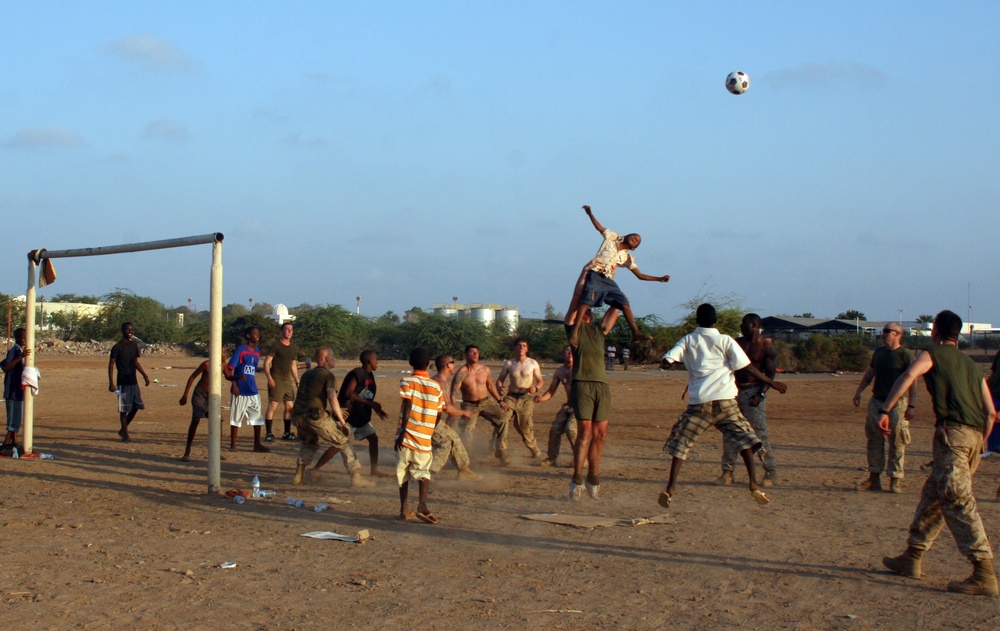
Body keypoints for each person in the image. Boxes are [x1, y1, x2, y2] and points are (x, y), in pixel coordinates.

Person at [881, 310, 998, 597]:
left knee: (957, 499)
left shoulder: (932, 353)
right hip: (973, 439)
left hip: (953, 435)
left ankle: (983, 570)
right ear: (957, 334)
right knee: (934, 494)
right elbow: (991, 413)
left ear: (935, 331)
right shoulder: (972, 365)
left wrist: (885, 409)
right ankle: (912, 555)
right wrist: (979, 445)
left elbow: (910, 374)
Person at [658, 304, 788, 509]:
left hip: (700, 403)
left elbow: (670, 356)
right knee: (746, 440)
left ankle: (670, 487)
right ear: (716, 320)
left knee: (681, 444)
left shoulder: (688, 340)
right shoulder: (726, 340)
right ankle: (753, 484)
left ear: (696, 320)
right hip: (726, 401)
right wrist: (772, 383)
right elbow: (747, 367)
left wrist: (667, 362)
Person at [567, 204, 671, 341]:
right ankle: (575, 331)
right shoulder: (612, 238)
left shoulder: (627, 257)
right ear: (625, 236)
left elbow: (640, 275)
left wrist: (658, 279)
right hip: (596, 274)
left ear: (634, 248)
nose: (636, 238)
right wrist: (590, 214)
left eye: (638, 240)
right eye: (634, 236)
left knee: (624, 303)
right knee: (587, 299)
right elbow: (599, 227)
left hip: (608, 280)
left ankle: (635, 332)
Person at [564, 298, 620, 501]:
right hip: (582, 384)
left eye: (586, 312)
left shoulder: (599, 332)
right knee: (584, 432)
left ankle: (593, 479)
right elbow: (572, 312)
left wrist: (616, 295)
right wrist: (585, 297)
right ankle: (577, 479)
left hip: (601, 385)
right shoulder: (574, 331)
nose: (584, 313)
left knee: (601, 434)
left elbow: (616, 308)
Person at [851, 321, 918, 493]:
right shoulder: (879, 353)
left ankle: (895, 479)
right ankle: (874, 477)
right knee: (874, 439)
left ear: (897, 334)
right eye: (883, 330)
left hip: (898, 403)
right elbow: (869, 374)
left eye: (887, 331)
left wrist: (911, 405)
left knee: (897, 441)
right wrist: (859, 391)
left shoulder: (905, 355)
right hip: (877, 400)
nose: (883, 334)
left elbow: (912, 381)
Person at [291, 347, 371, 488]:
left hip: (299, 417)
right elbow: (332, 397)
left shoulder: (307, 374)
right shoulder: (328, 376)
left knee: (309, 443)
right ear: (327, 358)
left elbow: (306, 398)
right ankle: (356, 476)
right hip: (315, 416)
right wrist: (341, 421)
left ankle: (299, 475)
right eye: (333, 356)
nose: (334, 359)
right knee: (343, 440)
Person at [717, 314, 781, 487]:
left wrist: (760, 394)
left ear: (753, 324)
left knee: (759, 433)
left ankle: (770, 470)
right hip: (734, 390)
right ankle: (727, 471)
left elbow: (770, 374)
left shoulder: (766, 347)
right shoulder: (736, 343)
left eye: (744, 323)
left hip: (753, 392)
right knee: (730, 431)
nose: (741, 325)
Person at [396, 348, 445, 523]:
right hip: (425, 436)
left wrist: (403, 430)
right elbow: (439, 413)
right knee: (423, 472)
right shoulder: (436, 386)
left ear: (410, 363)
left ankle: (403, 509)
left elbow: (408, 403)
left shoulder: (406, 381)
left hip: (407, 435)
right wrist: (430, 429)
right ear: (428, 364)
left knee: (403, 472)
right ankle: (422, 504)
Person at [451, 345, 510, 465]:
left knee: (503, 419)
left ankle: (500, 449)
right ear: (466, 355)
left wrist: (500, 401)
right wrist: (452, 409)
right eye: (472, 352)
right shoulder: (461, 373)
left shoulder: (485, 369)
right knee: (466, 429)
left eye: (477, 352)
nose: (475, 354)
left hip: (486, 401)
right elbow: (454, 393)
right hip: (469, 405)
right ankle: (469, 457)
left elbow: (490, 386)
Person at [430, 354, 482, 480]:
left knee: (454, 438)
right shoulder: (440, 382)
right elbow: (448, 408)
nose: (455, 364)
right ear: (448, 365)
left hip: (433, 420)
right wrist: (464, 413)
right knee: (445, 443)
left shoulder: (439, 380)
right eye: (453, 362)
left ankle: (464, 470)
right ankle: (427, 473)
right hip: (429, 421)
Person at [338, 350, 389, 476]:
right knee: (338, 444)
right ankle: (316, 468)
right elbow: (348, 394)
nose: (377, 362)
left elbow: (366, 395)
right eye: (375, 359)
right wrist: (369, 403)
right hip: (349, 415)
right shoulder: (358, 373)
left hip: (360, 415)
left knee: (373, 438)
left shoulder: (369, 375)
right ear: (369, 361)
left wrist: (376, 408)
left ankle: (374, 470)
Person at [495, 338, 544, 459]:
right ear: (515, 348)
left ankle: (534, 449)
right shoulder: (509, 363)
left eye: (524, 345)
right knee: (503, 418)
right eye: (519, 345)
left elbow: (540, 381)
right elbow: (500, 380)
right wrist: (500, 387)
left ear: (527, 348)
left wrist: (536, 388)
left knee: (524, 425)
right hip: (511, 397)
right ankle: (500, 449)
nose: (521, 347)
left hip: (526, 398)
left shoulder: (533, 363)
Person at [224, 326, 269, 453]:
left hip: (253, 389)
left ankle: (257, 444)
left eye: (258, 334)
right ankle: (233, 444)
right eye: (255, 334)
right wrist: (234, 384)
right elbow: (230, 367)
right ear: (248, 336)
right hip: (240, 389)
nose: (258, 336)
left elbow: (252, 369)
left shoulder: (257, 351)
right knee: (236, 417)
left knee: (257, 417)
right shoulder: (241, 350)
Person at [534, 345, 578, 468]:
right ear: (563, 354)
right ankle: (552, 458)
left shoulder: (580, 369)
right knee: (555, 430)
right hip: (569, 405)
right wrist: (541, 398)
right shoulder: (560, 371)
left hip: (581, 405)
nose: (569, 353)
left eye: (571, 351)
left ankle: (580, 458)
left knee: (571, 430)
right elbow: (551, 391)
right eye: (567, 351)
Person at [108, 322, 150, 442]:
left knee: (136, 406)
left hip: (133, 381)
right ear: (123, 331)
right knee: (123, 409)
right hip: (122, 382)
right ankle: (125, 435)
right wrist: (111, 383)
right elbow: (111, 365)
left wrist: (145, 375)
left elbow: (136, 363)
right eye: (127, 330)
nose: (130, 332)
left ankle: (123, 429)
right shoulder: (117, 347)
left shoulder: (133, 346)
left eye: (131, 330)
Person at [263, 321, 300, 442]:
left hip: (286, 379)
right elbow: (267, 362)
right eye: (287, 329)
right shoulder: (276, 345)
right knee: (273, 405)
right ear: (282, 331)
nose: (289, 332)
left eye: (291, 330)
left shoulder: (293, 348)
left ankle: (287, 432)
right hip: (276, 377)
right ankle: (268, 433)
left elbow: (293, 365)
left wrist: (297, 381)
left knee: (289, 406)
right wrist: (269, 377)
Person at [178, 359, 215, 462]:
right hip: (200, 393)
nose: (225, 355)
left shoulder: (223, 365)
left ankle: (216, 450)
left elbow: (228, 376)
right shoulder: (206, 364)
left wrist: (236, 379)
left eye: (226, 353)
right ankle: (187, 449)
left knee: (218, 420)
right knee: (196, 419)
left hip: (212, 395)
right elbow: (192, 377)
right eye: (223, 353)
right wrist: (185, 395)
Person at [2, 328, 30, 450]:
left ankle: (14, 441)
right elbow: (7, 365)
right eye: (23, 337)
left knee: (17, 416)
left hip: (18, 389)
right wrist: (21, 357)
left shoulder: (19, 350)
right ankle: (7, 443)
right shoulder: (14, 350)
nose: (25, 340)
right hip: (12, 390)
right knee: (13, 417)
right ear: (18, 337)